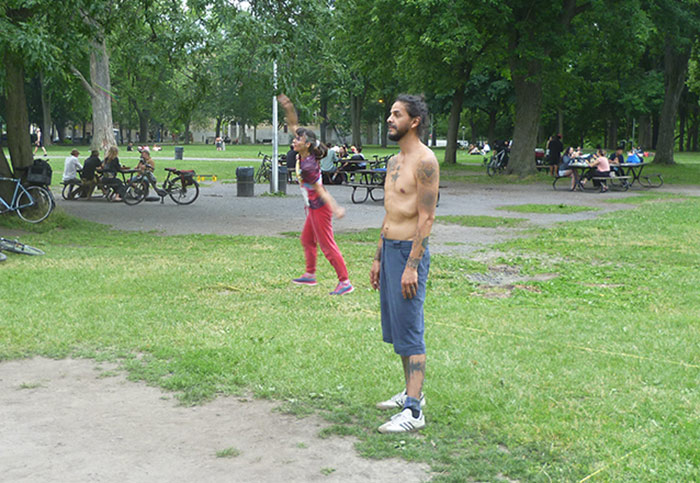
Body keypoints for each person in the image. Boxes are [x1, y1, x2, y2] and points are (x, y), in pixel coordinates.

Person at [370, 94, 439, 434]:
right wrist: (378, 257)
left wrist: (412, 264)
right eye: (389, 113)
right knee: (398, 330)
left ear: (414, 121)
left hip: (410, 253)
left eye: (396, 114)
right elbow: (391, 211)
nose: (389, 119)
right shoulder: (395, 161)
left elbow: (426, 218)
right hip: (391, 250)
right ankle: (413, 394)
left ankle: (414, 412)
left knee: (411, 331)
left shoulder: (425, 162)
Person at [278, 93, 353, 296]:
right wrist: (288, 107)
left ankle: (345, 281)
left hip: (320, 208)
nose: (294, 141)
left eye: (298, 140)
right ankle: (310, 275)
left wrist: (336, 208)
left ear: (307, 144)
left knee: (327, 245)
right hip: (312, 207)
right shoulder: (305, 154)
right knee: (306, 239)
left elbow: (320, 190)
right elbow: (294, 125)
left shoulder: (309, 165)